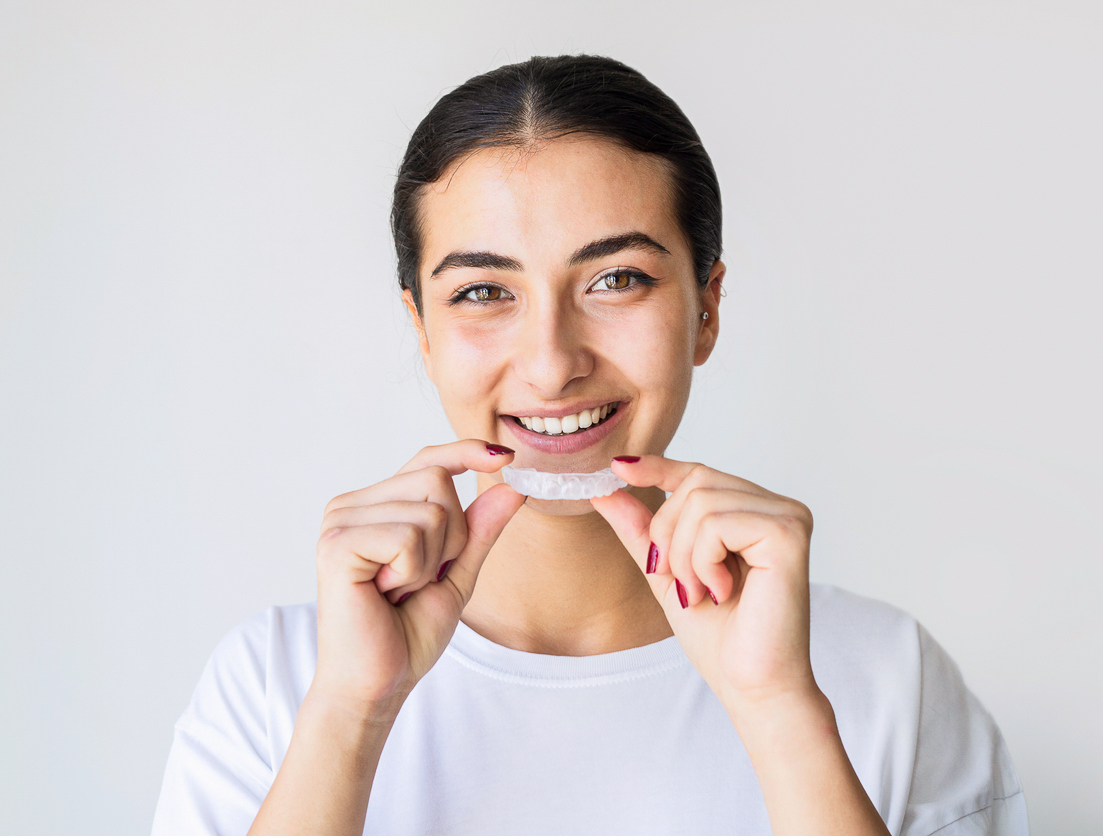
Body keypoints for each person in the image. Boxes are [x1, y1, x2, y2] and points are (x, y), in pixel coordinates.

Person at [152, 55, 1028, 836]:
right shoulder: (276, 686)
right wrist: (349, 715)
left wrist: (779, 712)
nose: (551, 364)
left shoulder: (887, 680)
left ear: (706, 308)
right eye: (484, 292)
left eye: (618, 279)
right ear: (421, 329)